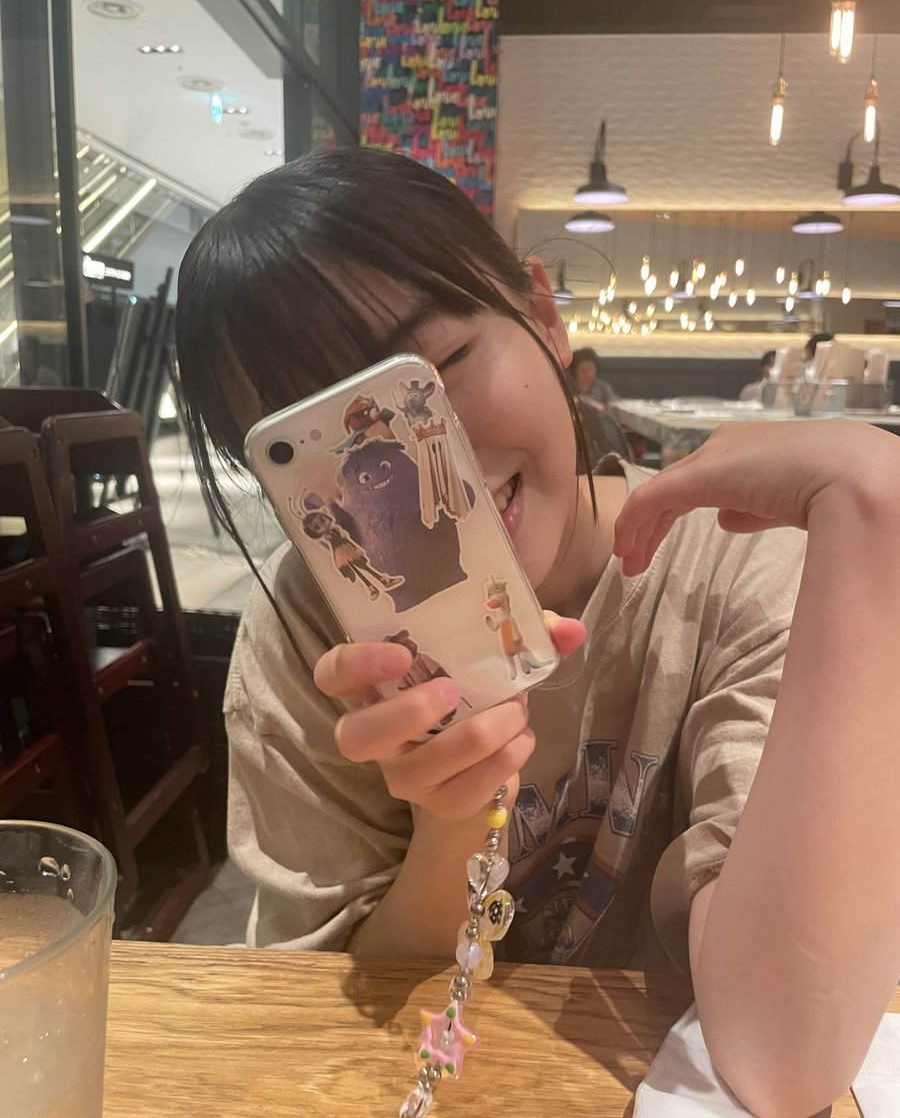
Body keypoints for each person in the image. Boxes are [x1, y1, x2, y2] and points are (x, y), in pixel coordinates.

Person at [173, 148, 900, 1118]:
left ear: (545, 317)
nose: (415, 462)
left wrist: (871, 507)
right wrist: (449, 827)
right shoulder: (307, 639)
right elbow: (335, 1011)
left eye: (435, 369)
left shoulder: (734, 566)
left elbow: (784, 1057)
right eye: (320, 438)